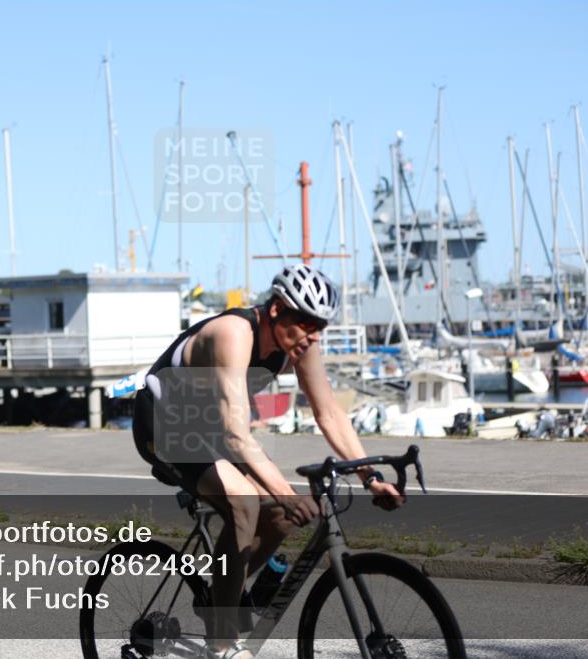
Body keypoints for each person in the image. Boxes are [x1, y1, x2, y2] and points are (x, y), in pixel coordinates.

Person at [132, 264, 405, 659]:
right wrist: (286, 492)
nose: (312, 336)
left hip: (207, 432)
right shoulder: (233, 334)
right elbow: (236, 434)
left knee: (277, 516)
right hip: (163, 425)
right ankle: (222, 643)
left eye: (319, 328)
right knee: (246, 501)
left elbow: (328, 413)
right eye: (305, 324)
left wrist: (371, 476)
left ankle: (220, 594)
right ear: (276, 309)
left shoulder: (301, 345)